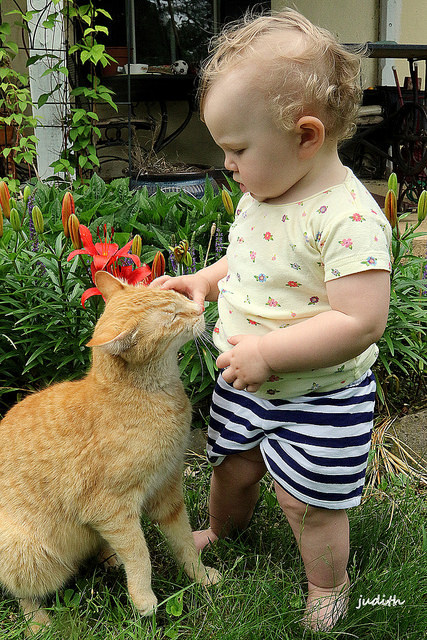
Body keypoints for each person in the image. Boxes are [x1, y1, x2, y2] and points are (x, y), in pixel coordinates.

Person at [152, 8, 392, 631]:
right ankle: (222, 530)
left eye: (237, 149)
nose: (227, 164)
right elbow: (250, 259)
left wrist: (268, 354)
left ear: (306, 136)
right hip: (246, 381)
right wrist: (206, 280)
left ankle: (328, 585)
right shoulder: (266, 192)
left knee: (308, 501)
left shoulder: (348, 219)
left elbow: (360, 321)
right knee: (231, 468)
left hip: (318, 395)